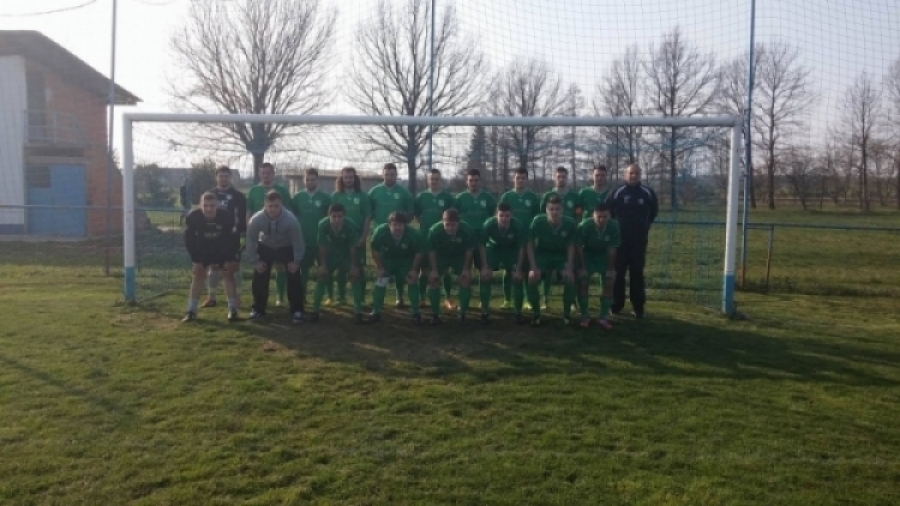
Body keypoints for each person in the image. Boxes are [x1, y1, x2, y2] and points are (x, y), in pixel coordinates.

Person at [606, 163, 658, 319]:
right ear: (625, 175)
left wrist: (643, 228)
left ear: (640, 175)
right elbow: (607, 212)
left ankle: (638, 307)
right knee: (618, 273)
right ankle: (616, 305)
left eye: (636, 173)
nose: (633, 176)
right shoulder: (617, 192)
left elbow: (653, 212)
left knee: (637, 274)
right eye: (631, 173)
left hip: (639, 242)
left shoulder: (648, 193)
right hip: (619, 242)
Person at [245, 191, 305, 323]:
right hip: (265, 246)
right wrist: (255, 261)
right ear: (265, 205)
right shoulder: (256, 219)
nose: (273, 209)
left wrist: (296, 261)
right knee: (260, 275)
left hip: (286, 247)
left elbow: (298, 241)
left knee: (294, 275)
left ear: (281, 204)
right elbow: (251, 240)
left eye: (276, 206)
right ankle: (258, 309)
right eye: (270, 206)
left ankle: (297, 310)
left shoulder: (291, 219)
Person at [182, 192, 240, 322]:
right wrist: (196, 260)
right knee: (198, 274)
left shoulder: (226, 216)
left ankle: (233, 309)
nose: (209, 209)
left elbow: (232, 239)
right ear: (200, 205)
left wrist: (230, 258)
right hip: (203, 249)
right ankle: (191, 311)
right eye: (205, 205)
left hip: (221, 248)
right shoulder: (193, 216)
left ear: (217, 205)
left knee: (227, 273)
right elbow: (189, 240)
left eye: (212, 205)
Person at [247, 162, 295, 308]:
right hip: (260, 236)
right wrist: (249, 230)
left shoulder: (282, 190)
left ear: (273, 174)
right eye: (263, 173)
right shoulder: (253, 190)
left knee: (280, 267)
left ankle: (280, 297)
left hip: (280, 236)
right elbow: (249, 211)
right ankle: (260, 301)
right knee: (261, 268)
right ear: (259, 174)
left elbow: (289, 212)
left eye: (268, 173)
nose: (265, 175)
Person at [307, 204, 364, 323]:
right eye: (334, 216)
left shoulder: (351, 226)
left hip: (346, 254)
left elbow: (353, 247)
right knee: (322, 276)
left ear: (344, 216)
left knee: (355, 276)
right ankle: (315, 310)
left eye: (340, 216)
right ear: (329, 215)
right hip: (330, 254)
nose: (337, 220)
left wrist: (354, 266)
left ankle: (358, 311)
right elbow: (322, 246)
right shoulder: (323, 224)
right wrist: (322, 265)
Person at [526, 195, 577, 327]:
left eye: (557, 209)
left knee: (570, 279)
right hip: (542, 256)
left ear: (562, 209)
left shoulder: (570, 223)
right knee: (532, 279)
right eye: (551, 209)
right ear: (546, 210)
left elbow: (571, 245)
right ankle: (536, 315)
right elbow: (530, 243)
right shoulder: (538, 221)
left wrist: (569, 267)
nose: (554, 212)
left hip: (561, 257)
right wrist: (533, 267)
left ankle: (566, 315)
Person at [368, 163, 414, 307]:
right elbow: (369, 214)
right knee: (381, 266)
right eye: (386, 174)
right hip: (380, 236)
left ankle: (399, 297)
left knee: (399, 265)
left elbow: (410, 213)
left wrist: (400, 226)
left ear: (396, 175)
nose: (389, 177)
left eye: (392, 174)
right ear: (383, 175)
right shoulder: (374, 192)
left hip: (398, 235)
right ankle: (379, 300)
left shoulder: (404, 193)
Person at [368, 211, 425, 325]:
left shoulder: (414, 234)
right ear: (389, 225)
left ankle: (416, 313)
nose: (397, 228)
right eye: (394, 225)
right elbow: (375, 250)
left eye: (400, 225)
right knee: (381, 281)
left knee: (412, 281)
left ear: (405, 225)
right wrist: (380, 267)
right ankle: (376, 312)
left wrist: (414, 270)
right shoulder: (380, 232)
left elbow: (419, 253)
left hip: (406, 261)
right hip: (387, 260)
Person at [204, 166, 247, 308]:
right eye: (221, 176)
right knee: (214, 266)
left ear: (230, 177)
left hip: (232, 237)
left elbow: (242, 218)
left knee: (234, 267)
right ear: (216, 177)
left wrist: (242, 234)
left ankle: (238, 297)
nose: (223, 178)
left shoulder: (238, 196)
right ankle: (211, 297)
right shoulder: (210, 194)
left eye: (226, 176)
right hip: (214, 236)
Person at [478, 202, 528, 325]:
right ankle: (484, 312)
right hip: (493, 249)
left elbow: (521, 247)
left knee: (517, 277)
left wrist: (519, 268)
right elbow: (482, 245)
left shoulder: (517, 225)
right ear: (496, 215)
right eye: (501, 215)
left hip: (511, 250)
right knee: (485, 276)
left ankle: (518, 313)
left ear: (512, 215)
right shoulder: (489, 224)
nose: (504, 219)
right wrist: (484, 266)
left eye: (507, 216)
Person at [455, 168, 496, 314]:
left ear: (480, 181)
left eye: (476, 180)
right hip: (465, 241)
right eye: (471, 180)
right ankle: (463, 304)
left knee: (484, 272)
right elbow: (455, 219)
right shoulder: (459, 198)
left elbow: (494, 216)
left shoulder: (488, 198)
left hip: (483, 241)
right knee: (464, 273)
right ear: (466, 181)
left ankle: (484, 304)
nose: (473, 183)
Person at [538, 166, 580, 308]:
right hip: (551, 237)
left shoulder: (574, 196)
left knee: (571, 268)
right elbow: (542, 215)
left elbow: (578, 215)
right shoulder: (547, 196)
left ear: (567, 178)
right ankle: (545, 298)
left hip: (568, 238)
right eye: (558, 176)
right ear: (554, 178)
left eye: (563, 176)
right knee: (547, 270)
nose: (561, 179)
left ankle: (572, 300)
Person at [413, 169, 455, 310]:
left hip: (443, 238)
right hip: (425, 237)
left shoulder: (447, 197)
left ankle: (448, 298)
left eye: (436, 179)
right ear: (427, 180)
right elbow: (417, 215)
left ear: (440, 180)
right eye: (432, 179)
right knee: (424, 270)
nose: (434, 181)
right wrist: (426, 225)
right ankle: (422, 298)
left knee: (445, 269)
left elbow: (452, 216)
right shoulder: (421, 197)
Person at [498, 168, 539, 309]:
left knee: (526, 269)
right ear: (513, 179)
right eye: (518, 178)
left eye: (523, 178)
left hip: (527, 238)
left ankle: (527, 300)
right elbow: (499, 214)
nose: (520, 180)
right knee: (508, 269)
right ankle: (507, 299)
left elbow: (537, 217)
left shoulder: (532, 197)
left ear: (527, 179)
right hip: (510, 238)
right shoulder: (507, 196)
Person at [426, 209, 476, 325]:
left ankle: (462, 313)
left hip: (459, 256)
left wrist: (466, 269)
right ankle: (435, 314)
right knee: (433, 280)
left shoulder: (467, 230)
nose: (450, 228)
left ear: (459, 223)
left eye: (453, 225)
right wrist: (434, 270)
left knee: (465, 279)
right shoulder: (434, 231)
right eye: (447, 224)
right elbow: (432, 252)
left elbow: (469, 251)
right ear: (442, 222)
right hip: (441, 256)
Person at [331, 167, 372, 306]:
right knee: (341, 268)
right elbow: (331, 217)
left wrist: (364, 237)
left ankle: (361, 298)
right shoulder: (336, 196)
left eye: (351, 177)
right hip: (341, 238)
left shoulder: (363, 196)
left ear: (355, 178)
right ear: (341, 178)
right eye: (345, 177)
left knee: (359, 268)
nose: (348, 180)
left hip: (357, 237)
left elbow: (368, 217)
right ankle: (341, 296)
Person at [576, 203, 620, 329]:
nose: (602, 219)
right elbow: (579, 247)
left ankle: (603, 317)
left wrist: (610, 269)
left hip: (604, 256)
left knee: (609, 281)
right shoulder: (584, 226)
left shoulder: (614, 226)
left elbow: (612, 249)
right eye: (599, 216)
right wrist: (582, 268)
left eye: (605, 216)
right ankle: (585, 316)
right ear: (593, 215)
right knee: (583, 281)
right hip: (587, 256)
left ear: (609, 216)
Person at [292, 168, 332, 307]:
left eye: (313, 179)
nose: (310, 182)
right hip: (304, 240)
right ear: (304, 180)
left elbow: (329, 219)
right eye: (307, 179)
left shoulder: (325, 198)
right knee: (303, 270)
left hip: (321, 241)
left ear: (317, 180)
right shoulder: (297, 197)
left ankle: (329, 296)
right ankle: (302, 296)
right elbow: (294, 217)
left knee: (324, 269)